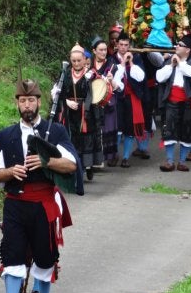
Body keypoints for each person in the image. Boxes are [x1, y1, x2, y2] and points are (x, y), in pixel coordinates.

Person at [0, 73, 76, 293]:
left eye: (31, 100)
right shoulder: (6, 135)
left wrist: (46, 161)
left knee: (45, 256)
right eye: (22, 100)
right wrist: (9, 171)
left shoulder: (55, 131)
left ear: (39, 102)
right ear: (17, 103)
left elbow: (71, 165)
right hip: (15, 203)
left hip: (43, 202)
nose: (27, 105)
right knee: (13, 254)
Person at [54, 42, 104, 181]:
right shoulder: (65, 74)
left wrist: (85, 108)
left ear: (84, 60)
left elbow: (94, 94)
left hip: (85, 114)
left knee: (85, 141)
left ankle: (85, 168)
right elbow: (58, 91)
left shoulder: (91, 75)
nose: (76, 63)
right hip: (69, 113)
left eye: (79, 60)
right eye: (74, 61)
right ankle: (73, 169)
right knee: (71, 140)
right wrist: (67, 102)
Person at [156, 34, 191, 172]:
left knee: (187, 131)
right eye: (177, 44)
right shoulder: (171, 61)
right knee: (168, 130)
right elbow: (159, 77)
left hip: (188, 102)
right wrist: (171, 64)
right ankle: (170, 161)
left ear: (188, 49)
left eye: (180, 45)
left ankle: (182, 161)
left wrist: (180, 63)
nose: (177, 46)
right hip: (171, 101)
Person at [112, 31, 146, 168]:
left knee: (129, 129)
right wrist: (122, 63)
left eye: (126, 45)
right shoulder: (112, 59)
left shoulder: (136, 58)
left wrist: (130, 63)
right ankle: (114, 155)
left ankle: (125, 157)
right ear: (117, 44)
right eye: (121, 44)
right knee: (117, 128)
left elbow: (141, 77)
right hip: (117, 97)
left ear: (129, 46)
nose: (123, 48)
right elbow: (113, 78)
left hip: (131, 98)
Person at [91, 37, 123, 166]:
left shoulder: (113, 65)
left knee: (108, 128)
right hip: (93, 101)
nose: (103, 52)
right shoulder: (88, 64)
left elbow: (120, 86)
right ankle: (95, 158)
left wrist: (111, 81)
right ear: (94, 51)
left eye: (105, 50)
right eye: (100, 50)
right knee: (94, 130)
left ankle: (110, 156)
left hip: (108, 101)